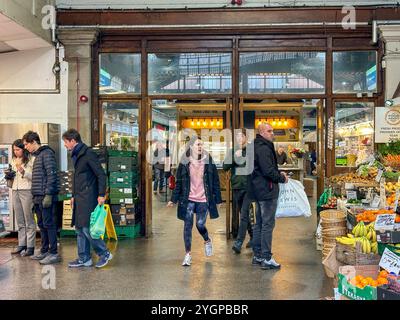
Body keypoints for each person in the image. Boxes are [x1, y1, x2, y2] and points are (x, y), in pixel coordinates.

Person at [167, 137, 222, 267]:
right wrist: (173, 200)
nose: (200, 146)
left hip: (203, 199)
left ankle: (207, 240)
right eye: (198, 144)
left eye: (201, 144)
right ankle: (187, 255)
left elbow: (215, 181)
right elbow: (179, 183)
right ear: (191, 147)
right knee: (187, 226)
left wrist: (218, 199)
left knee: (200, 224)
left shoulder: (208, 161)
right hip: (189, 199)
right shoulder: (184, 162)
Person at [62, 129, 112, 269]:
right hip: (79, 197)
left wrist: (101, 194)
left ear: (73, 141)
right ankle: (84, 258)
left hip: (89, 196)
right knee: (79, 228)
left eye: (66, 142)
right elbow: (77, 177)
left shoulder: (87, 153)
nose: (65, 145)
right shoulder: (76, 154)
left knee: (87, 228)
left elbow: (101, 175)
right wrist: (73, 195)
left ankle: (104, 253)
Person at [248, 123, 288, 270]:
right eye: (269, 131)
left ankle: (257, 255)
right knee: (267, 225)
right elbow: (268, 171)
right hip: (266, 191)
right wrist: (282, 178)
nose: (273, 133)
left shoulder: (254, 146)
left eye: (272, 131)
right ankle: (266, 257)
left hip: (257, 191)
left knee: (258, 224)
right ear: (261, 132)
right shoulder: (264, 148)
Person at [22, 131, 60, 265]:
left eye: (26, 144)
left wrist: (49, 195)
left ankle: (54, 252)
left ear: (34, 142)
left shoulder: (47, 154)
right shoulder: (37, 156)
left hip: (46, 196)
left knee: (49, 224)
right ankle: (44, 250)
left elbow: (52, 175)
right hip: (38, 196)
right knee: (42, 225)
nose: (25, 147)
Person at [223, 129, 253, 253]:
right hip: (236, 186)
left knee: (244, 214)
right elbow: (225, 166)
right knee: (243, 214)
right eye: (238, 137)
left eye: (242, 136)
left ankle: (239, 242)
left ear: (246, 137)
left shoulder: (251, 150)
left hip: (248, 187)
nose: (239, 139)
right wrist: (235, 157)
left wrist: (243, 158)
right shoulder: (233, 150)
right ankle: (253, 237)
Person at [10, 139, 36, 257]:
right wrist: (8, 176)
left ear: (23, 149)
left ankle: (30, 246)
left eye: (18, 149)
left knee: (28, 218)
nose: (16, 152)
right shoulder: (13, 160)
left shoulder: (31, 159)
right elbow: (12, 178)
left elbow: (34, 177)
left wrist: (23, 171)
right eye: (14, 150)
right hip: (15, 190)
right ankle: (22, 244)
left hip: (26, 191)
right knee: (19, 219)